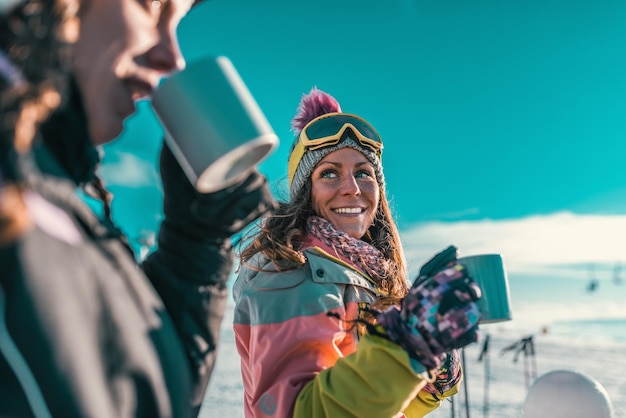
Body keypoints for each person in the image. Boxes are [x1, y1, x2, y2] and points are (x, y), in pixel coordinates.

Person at [0, 1, 276, 417]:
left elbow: (143, 402)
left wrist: (195, 245)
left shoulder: (62, 211)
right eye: (152, 8)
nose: (172, 56)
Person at [233, 87, 482, 417]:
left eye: (364, 172)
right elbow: (300, 411)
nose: (351, 187)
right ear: (305, 193)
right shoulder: (290, 271)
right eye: (330, 173)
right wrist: (407, 345)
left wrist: (428, 379)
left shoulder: (363, 273)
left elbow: (376, 407)